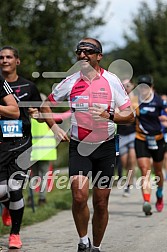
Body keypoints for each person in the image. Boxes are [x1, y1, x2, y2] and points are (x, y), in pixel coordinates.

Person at [40, 37, 135, 252]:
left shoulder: (111, 80)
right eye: (79, 51)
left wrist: (109, 115)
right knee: (79, 195)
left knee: (101, 202)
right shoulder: (71, 81)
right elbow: (46, 106)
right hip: (79, 146)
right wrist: (55, 128)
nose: (83, 54)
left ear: (99, 56)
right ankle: (83, 241)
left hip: (105, 146)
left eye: (89, 51)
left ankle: (97, 246)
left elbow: (130, 115)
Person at [0, 46, 41, 249]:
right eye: (1, 57)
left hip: (22, 142)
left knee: (15, 188)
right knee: (2, 191)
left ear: (17, 61)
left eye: (9, 57)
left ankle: (14, 234)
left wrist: (53, 126)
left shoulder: (28, 86)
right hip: (1, 144)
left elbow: (41, 109)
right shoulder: (1, 82)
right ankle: (8, 205)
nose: (4, 60)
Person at [133, 75, 167, 216]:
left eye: (146, 86)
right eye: (141, 86)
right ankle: (146, 202)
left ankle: (159, 194)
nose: (143, 89)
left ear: (151, 87)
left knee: (158, 171)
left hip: (158, 139)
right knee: (144, 170)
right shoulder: (134, 101)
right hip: (141, 138)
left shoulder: (159, 101)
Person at [28, 93, 57, 206]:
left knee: (33, 176)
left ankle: (31, 198)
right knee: (44, 176)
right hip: (46, 152)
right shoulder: (49, 117)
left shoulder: (30, 118)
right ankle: (42, 198)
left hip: (33, 152)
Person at [117, 80, 137, 197]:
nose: (126, 87)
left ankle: (128, 186)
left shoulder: (135, 99)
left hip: (133, 133)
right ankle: (130, 176)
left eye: (128, 85)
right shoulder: (118, 98)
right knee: (124, 162)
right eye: (124, 86)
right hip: (122, 134)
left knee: (132, 159)